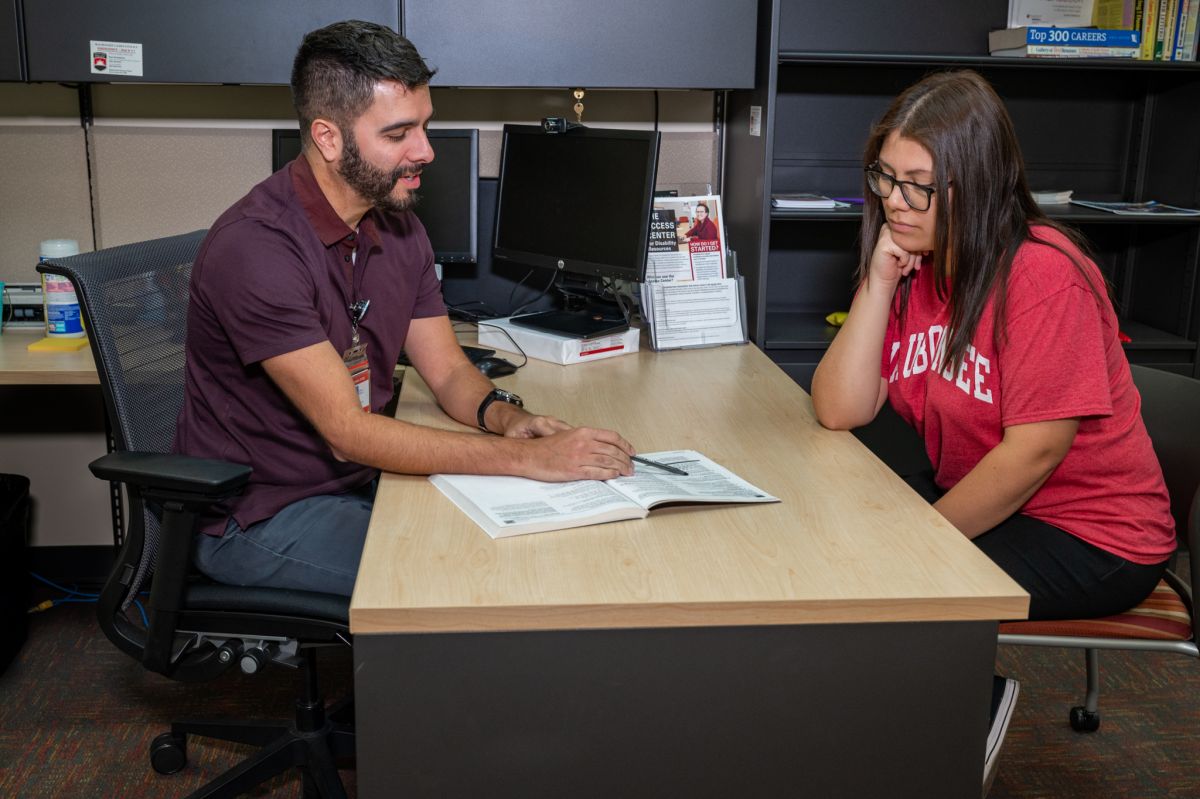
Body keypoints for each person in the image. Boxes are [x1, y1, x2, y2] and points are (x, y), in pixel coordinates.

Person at [173, 20, 635, 598]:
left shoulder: (397, 227)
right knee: (471, 578)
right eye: (398, 134)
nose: (426, 151)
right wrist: (532, 462)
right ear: (328, 137)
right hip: (263, 513)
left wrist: (509, 422)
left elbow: (444, 369)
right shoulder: (257, 248)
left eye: (425, 126)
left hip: (360, 482)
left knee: (528, 539)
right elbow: (349, 434)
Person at [809, 69, 1175, 792]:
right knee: (835, 538)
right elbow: (839, 407)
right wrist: (879, 282)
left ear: (976, 183)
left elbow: (1035, 452)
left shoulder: (1041, 273)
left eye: (918, 182)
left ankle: (964, 712)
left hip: (1093, 532)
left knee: (886, 583)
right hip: (999, 504)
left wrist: (920, 546)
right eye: (885, 175)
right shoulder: (922, 265)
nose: (893, 200)